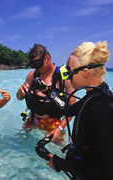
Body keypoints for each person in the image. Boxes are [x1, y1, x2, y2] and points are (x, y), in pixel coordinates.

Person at [47, 41, 113, 179]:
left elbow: (106, 170)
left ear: (86, 73)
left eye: (69, 72)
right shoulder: (96, 94)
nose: (67, 77)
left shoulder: (100, 108)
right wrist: (49, 93)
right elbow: (70, 110)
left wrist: (61, 164)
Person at [16, 44, 76, 138]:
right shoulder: (32, 75)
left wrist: (59, 128)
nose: (37, 67)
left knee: (58, 150)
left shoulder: (63, 77)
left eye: (38, 63)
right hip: (32, 119)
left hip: (53, 123)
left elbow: (72, 107)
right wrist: (20, 92)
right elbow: (19, 98)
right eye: (33, 64)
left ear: (47, 57)